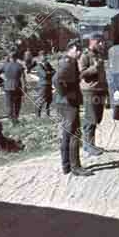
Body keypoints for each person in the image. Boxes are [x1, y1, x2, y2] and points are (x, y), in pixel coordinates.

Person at [53, 39, 84, 174]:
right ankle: (75, 167)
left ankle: (66, 166)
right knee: (74, 134)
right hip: (68, 104)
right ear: (71, 49)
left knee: (67, 134)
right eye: (78, 50)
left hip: (65, 103)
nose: (79, 53)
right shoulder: (68, 62)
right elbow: (56, 80)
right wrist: (65, 95)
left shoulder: (68, 61)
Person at [78, 36, 107, 156]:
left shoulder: (98, 55)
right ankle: (88, 146)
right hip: (90, 91)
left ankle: (90, 144)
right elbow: (82, 73)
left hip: (99, 89)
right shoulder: (85, 56)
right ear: (92, 42)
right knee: (91, 118)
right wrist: (95, 68)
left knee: (96, 118)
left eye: (102, 42)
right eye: (99, 42)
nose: (101, 44)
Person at [0, 50, 26, 126]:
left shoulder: (4, 65)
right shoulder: (20, 66)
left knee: (9, 104)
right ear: (16, 57)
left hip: (7, 86)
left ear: (9, 57)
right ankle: (16, 119)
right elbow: (23, 79)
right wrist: (24, 89)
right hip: (17, 87)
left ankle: (11, 120)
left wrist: (1, 81)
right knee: (17, 104)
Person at [34, 52, 55, 117]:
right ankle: (38, 114)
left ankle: (47, 113)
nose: (45, 57)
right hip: (42, 85)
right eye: (43, 56)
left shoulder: (47, 64)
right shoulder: (38, 66)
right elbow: (44, 75)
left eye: (45, 56)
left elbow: (54, 71)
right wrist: (49, 73)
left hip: (49, 84)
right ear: (40, 57)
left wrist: (49, 72)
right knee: (41, 99)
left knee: (49, 99)